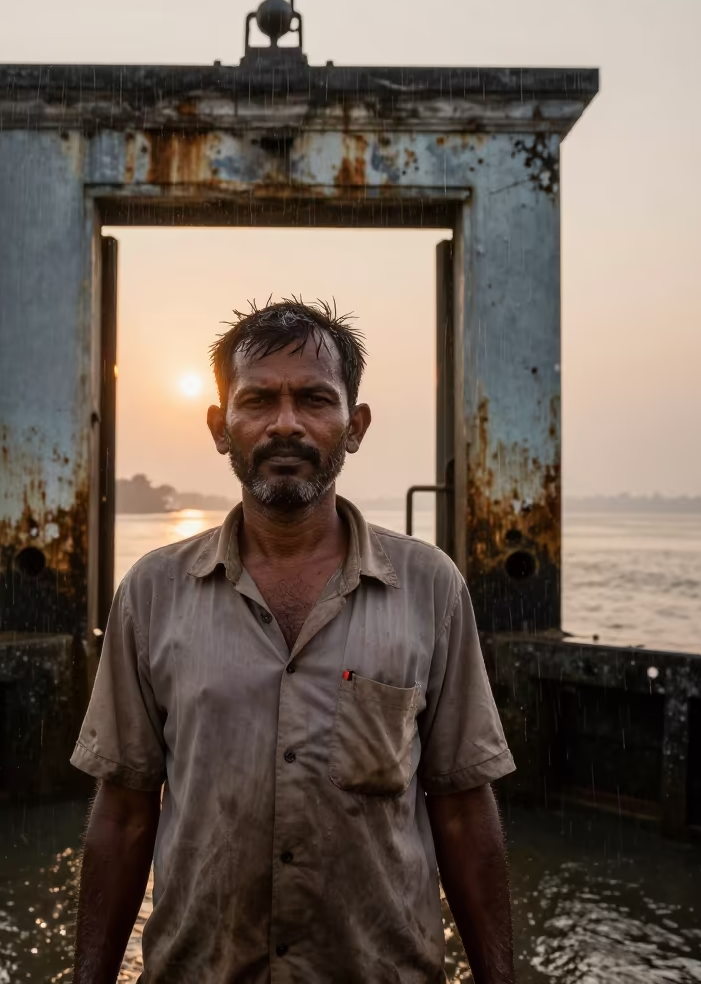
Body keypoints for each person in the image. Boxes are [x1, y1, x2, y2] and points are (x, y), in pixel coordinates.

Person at [72, 298, 516, 983]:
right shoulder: (152, 593)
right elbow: (126, 813)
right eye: (258, 401)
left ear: (354, 425)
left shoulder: (431, 589)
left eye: (314, 399)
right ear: (221, 427)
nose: (286, 424)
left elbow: (460, 809)